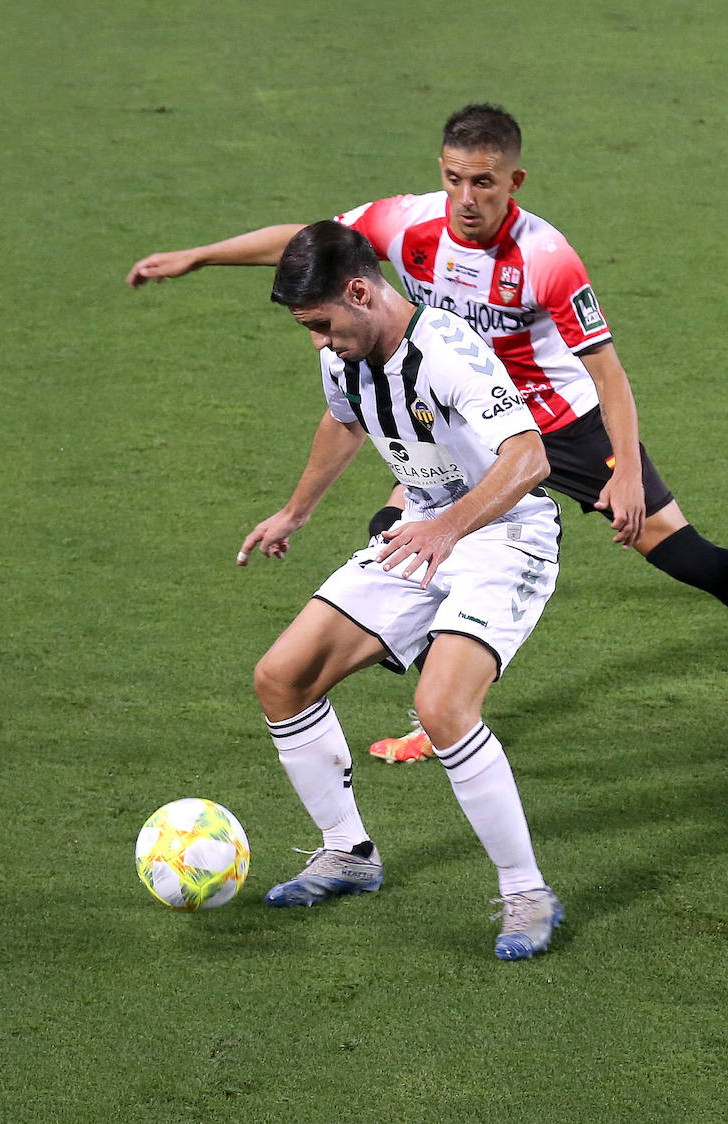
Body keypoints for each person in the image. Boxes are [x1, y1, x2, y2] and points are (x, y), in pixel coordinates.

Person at [127, 103, 728, 762]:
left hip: (560, 421)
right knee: (400, 535)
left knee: (687, 558)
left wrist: (628, 474)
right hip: (463, 420)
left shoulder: (545, 255)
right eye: (452, 178)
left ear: (513, 180)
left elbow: (607, 371)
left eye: (482, 182)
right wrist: (199, 256)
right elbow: (308, 244)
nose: (466, 197)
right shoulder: (405, 226)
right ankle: (446, 712)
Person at [236, 220, 564, 960]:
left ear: (359, 292)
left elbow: (528, 459)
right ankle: (348, 853)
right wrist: (297, 510)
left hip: (503, 536)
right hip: (421, 532)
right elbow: (344, 421)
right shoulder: (343, 357)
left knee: (442, 705)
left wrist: (448, 527)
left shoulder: (447, 352)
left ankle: (526, 892)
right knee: (282, 678)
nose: (319, 341)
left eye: (322, 324)